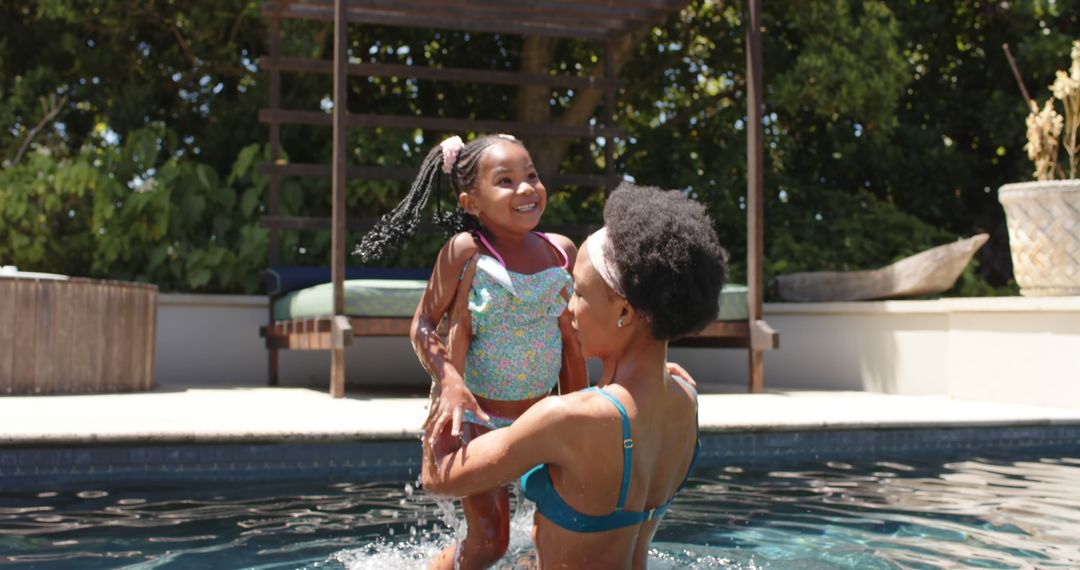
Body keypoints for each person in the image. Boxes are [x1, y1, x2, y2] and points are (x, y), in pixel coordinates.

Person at [422, 182, 728, 569]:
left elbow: (439, 478)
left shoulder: (567, 419)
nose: (567, 307)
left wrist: (448, 376)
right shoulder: (685, 395)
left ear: (625, 312)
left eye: (579, 293)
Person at [356, 133, 589, 569]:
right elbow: (421, 325)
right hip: (479, 424)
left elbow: (572, 343)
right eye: (505, 181)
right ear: (470, 203)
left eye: (531, 176)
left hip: (542, 421)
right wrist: (450, 382)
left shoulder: (561, 252)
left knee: (562, 535)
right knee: (489, 543)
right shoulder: (467, 252)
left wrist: (582, 413)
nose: (525, 188)